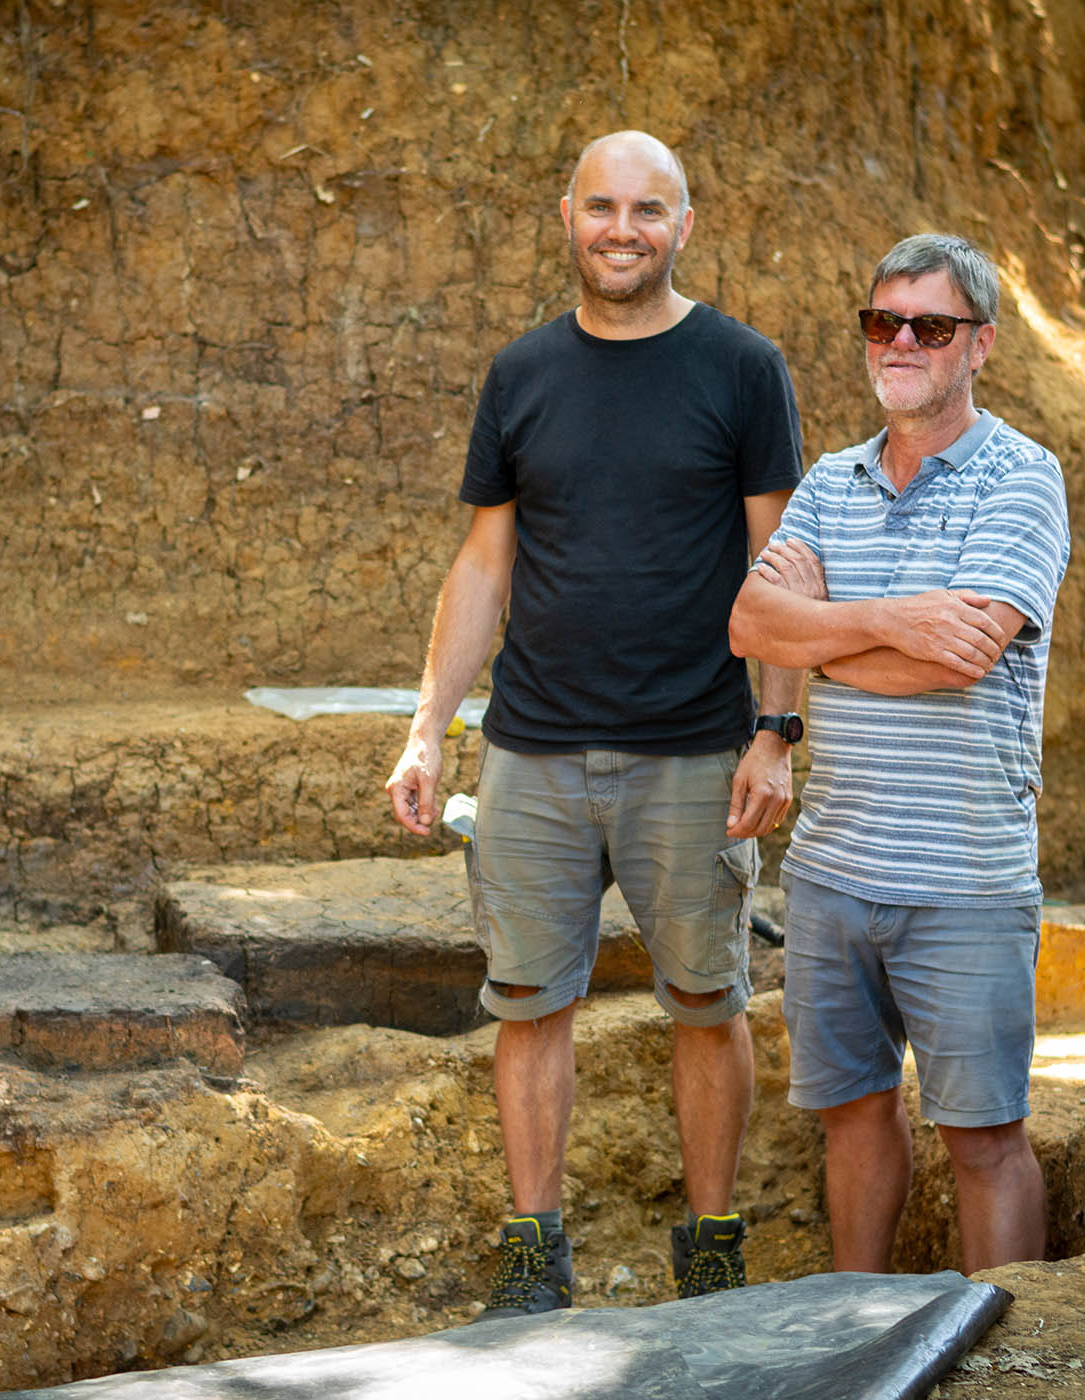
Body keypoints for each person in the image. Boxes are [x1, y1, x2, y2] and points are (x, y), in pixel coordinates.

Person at [385, 130, 805, 1317]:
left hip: (694, 750)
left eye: (649, 210)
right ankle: (536, 1256)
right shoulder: (522, 374)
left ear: (686, 224)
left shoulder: (741, 368)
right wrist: (430, 727)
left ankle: (713, 1249)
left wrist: (776, 729)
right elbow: (482, 564)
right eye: (602, 207)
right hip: (533, 751)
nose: (623, 230)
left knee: (706, 1002)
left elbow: (781, 563)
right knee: (529, 1002)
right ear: (564, 216)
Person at [727, 232, 1071, 1275]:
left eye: (932, 324)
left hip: (964, 875)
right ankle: (857, 1331)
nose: (903, 341)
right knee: (854, 1118)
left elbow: (957, 658)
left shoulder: (1024, 477)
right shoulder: (832, 480)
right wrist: (897, 618)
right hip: (834, 872)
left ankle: (1018, 1358)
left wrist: (826, 636)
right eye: (886, 322)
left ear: (981, 346)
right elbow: (750, 620)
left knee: (983, 1138)